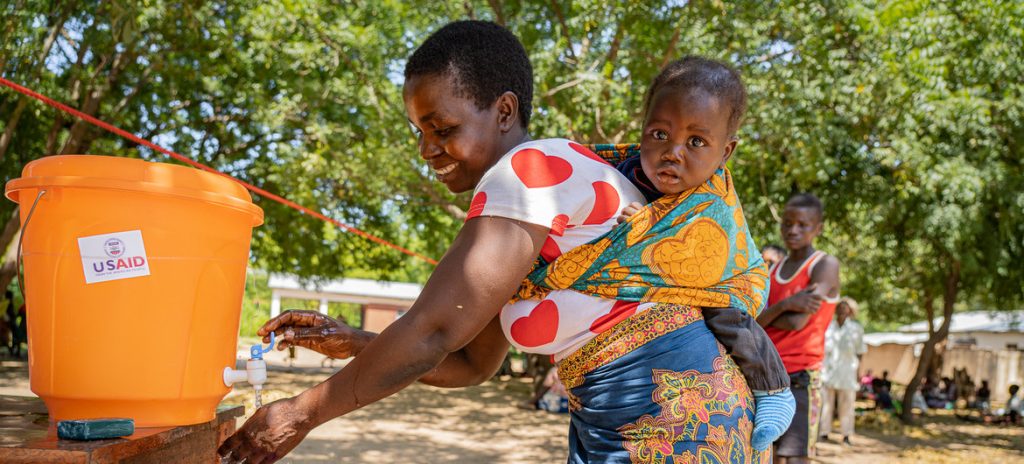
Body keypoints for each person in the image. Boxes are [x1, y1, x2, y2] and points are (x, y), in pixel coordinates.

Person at [219, 21, 764, 463]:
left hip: (666, 422)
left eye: (443, 127)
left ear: (504, 111)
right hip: (649, 417)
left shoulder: (529, 174)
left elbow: (432, 332)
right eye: (420, 133)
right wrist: (358, 342)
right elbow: (471, 363)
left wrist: (299, 413)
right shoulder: (543, 198)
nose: (427, 149)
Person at [609, 56, 794, 451]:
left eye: (696, 142)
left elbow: (697, 249)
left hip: (725, 279)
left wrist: (649, 229)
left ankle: (774, 387)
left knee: (725, 313)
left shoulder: (713, 198)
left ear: (725, 152)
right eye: (659, 134)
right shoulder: (622, 172)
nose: (673, 152)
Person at [757, 193, 841, 464]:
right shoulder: (773, 270)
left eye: (803, 225)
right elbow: (752, 321)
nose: (793, 230)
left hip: (801, 376)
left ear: (818, 228)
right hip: (768, 374)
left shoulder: (824, 265)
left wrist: (768, 315)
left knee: (795, 456)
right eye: (788, 223)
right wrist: (787, 304)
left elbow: (797, 322)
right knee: (769, 455)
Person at [819, 297, 866, 445]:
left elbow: (860, 352)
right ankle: (824, 432)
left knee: (846, 406)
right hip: (828, 372)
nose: (842, 309)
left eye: (845, 307)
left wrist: (859, 372)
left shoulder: (856, 329)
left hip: (847, 373)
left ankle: (846, 435)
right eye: (840, 306)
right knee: (826, 404)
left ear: (851, 311)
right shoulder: (828, 327)